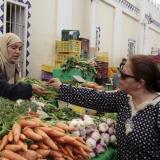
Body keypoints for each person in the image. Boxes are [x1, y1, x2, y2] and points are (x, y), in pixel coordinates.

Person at [48, 55, 160, 160]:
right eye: (120, 71)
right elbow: (95, 98)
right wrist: (61, 87)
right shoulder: (124, 98)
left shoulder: (157, 109)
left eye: (124, 75)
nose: (119, 77)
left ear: (140, 83)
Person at [0, 33, 47, 100]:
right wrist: (30, 87)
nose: (18, 52)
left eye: (19, 49)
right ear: (3, 47)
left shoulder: (14, 65)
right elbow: (4, 89)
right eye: (14, 48)